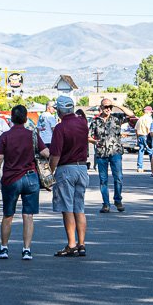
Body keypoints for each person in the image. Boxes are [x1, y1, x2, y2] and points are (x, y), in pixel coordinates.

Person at [0, 105, 49, 261]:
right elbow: (45, 153)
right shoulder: (32, 135)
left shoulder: (5, 136)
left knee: (8, 215)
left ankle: (4, 248)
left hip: (11, 179)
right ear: (26, 119)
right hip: (31, 178)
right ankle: (26, 250)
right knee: (28, 215)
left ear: (11, 118)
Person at [49, 95, 90, 256]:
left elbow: (55, 155)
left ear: (59, 110)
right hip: (82, 168)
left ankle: (71, 244)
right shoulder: (83, 123)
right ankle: (82, 243)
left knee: (67, 208)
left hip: (66, 168)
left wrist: (49, 174)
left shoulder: (60, 128)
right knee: (79, 207)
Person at [88, 97, 125, 213]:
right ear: (101, 108)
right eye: (105, 107)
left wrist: (116, 104)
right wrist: (94, 141)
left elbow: (131, 114)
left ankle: (118, 200)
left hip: (115, 152)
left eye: (110, 107)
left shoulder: (117, 118)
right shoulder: (95, 121)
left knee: (118, 178)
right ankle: (106, 204)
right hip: (101, 153)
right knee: (103, 180)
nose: (108, 109)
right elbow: (87, 136)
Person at [134, 105, 153, 172]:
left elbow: (136, 129)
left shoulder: (140, 118)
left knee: (141, 151)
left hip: (140, 136)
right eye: (151, 112)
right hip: (146, 136)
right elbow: (148, 128)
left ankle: (139, 167)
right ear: (148, 112)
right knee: (150, 151)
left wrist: (137, 138)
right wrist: (151, 137)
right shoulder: (148, 119)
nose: (151, 114)